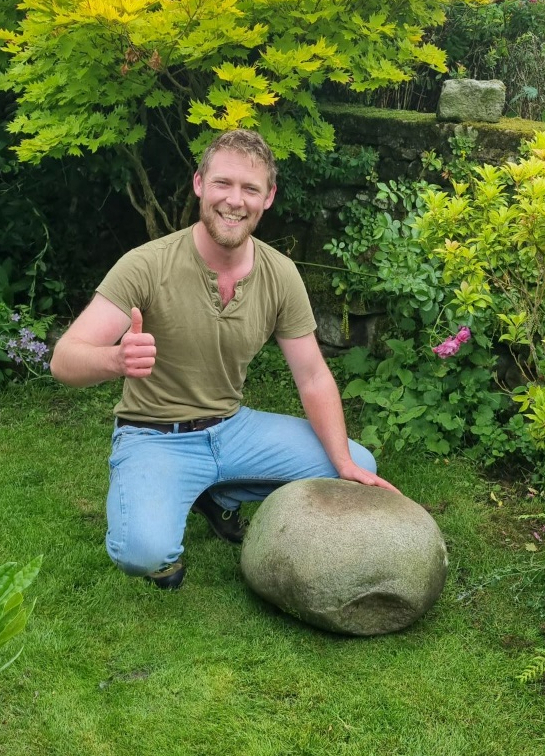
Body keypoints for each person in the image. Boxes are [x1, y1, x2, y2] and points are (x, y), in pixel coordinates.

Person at [50, 129, 397, 589]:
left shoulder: (281, 274)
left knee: (359, 466)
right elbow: (63, 360)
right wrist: (115, 360)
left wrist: (342, 461)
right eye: (223, 184)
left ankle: (218, 494)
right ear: (199, 184)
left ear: (268, 197)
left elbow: (312, 375)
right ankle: (168, 538)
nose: (234, 201)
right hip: (154, 434)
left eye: (250, 188)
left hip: (232, 429)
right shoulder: (145, 265)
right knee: (143, 551)